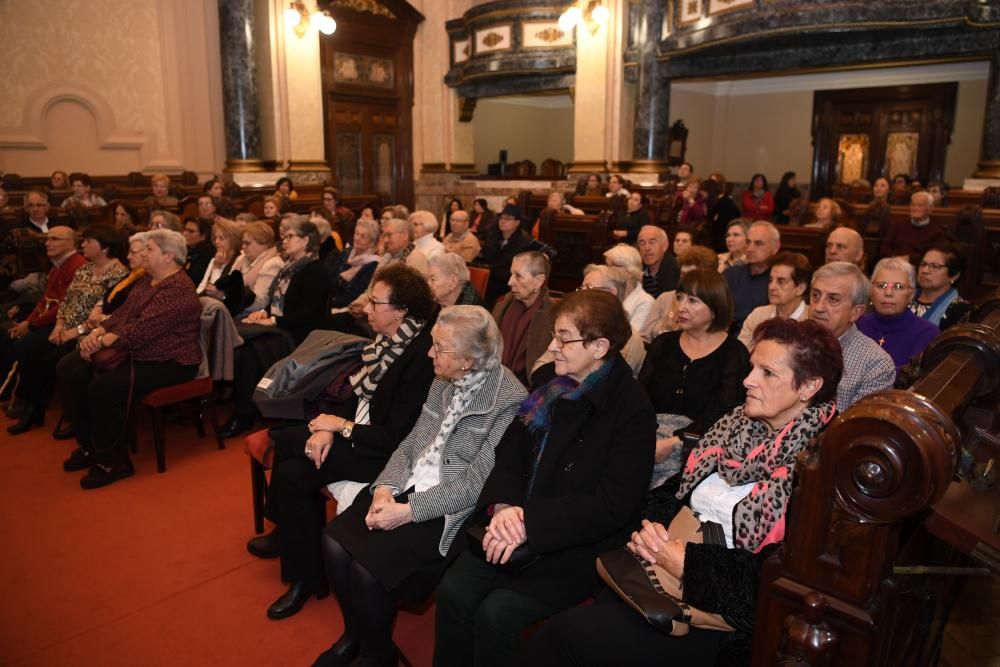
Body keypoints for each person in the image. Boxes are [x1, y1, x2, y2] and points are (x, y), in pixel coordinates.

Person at [521, 318, 841, 666]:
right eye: (752, 368)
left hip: (717, 618)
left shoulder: (820, 470)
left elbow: (783, 579)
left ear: (809, 386)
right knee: (567, 626)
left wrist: (688, 563)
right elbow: (675, 494)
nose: (748, 381)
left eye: (767, 373)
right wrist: (653, 528)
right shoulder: (733, 425)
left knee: (565, 637)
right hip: (658, 576)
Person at [434, 290, 656, 667]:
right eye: (554, 335)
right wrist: (504, 507)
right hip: (515, 522)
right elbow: (507, 455)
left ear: (599, 346)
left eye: (563, 338)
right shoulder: (552, 389)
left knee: (496, 614)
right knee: (452, 590)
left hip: (573, 544)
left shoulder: (632, 411)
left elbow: (610, 506)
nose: (552, 347)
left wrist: (527, 524)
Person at [314, 306, 527, 666]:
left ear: (468, 360)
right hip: (407, 485)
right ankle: (354, 634)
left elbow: (475, 484)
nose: (429, 354)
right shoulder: (442, 378)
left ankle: (376, 655)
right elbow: (413, 441)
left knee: (369, 567)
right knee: (333, 542)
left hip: (448, 508)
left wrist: (408, 511)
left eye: (439, 348)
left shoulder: (509, 400)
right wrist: (384, 488)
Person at [246, 263, 438, 620]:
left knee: (283, 442)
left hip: (385, 452)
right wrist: (325, 429)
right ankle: (306, 576)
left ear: (400, 310)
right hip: (358, 432)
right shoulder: (390, 341)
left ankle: (293, 550)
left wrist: (340, 427)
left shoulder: (420, 358)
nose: (366, 308)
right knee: (292, 472)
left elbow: (396, 436)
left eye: (375, 302)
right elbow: (358, 397)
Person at [61, 230, 201, 489]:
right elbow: (121, 314)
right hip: (142, 353)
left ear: (168, 256)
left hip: (172, 362)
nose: (142, 254)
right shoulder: (148, 280)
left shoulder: (178, 289)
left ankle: (114, 461)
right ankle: (91, 446)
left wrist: (99, 342)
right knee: (74, 373)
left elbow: (141, 330)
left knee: (103, 389)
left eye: (149, 249)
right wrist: (100, 331)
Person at [7, 225, 129, 435]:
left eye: (88, 241)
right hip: (67, 328)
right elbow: (66, 301)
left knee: (53, 361)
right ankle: (34, 408)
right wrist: (59, 325)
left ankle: (76, 415)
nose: (83, 245)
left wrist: (74, 331)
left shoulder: (118, 274)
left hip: (88, 331)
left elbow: (104, 315)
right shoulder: (84, 269)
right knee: (28, 349)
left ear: (105, 248)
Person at [221, 219, 331, 438]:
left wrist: (272, 321)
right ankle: (248, 410)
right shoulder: (288, 269)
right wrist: (266, 314)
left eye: (290, 236)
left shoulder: (316, 271)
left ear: (306, 240)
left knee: (251, 351)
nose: (285, 240)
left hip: (303, 335)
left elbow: (307, 315)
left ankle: (246, 414)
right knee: (244, 347)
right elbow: (279, 306)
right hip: (284, 329)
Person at [640, 269, 750, 482]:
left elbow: (723, 416)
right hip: (646, 437)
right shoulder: (663, 344)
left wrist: (675, 441)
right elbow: (639, 397)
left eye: (693, 301)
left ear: (715, 307)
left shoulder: (734, 353)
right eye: (680, 298)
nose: (681, 307)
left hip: (699, 449)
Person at [809, 262, 895, 409]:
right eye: (815, 295)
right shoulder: (786, 342)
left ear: (855, 312)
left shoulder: (875, 364)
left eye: (833, 299)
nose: (818, 307)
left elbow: (858, 428)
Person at [858, 257, 938, 373]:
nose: (888, 293)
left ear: (911, 294)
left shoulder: (926, 332)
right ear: (871, 290)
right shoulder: (856, 324)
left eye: (898, 287)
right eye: (882, 286)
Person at [492, 251, 556, 386]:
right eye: (511, 274)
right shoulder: (502, 306)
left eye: (518, 276)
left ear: (538, 281)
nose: (510, 282)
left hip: (528, 389)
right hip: (492, 380)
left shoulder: (553, 317)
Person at [640, 246, 719, 343]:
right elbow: (643, 336)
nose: (683, 279)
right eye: (682, 274)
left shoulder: (711, 303)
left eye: (689, 275)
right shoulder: (665, 298)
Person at [738, 251, 812, 348]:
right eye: (770, 280)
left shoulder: (812, 320)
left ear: (800, 288)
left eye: (781, 281)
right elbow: (741, 355)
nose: (771, 287)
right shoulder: (757, 316)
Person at [722, 220, 781, 330]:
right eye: (748, 242)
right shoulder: (730, 274)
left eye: (758, 243)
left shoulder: (778, 280)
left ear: (775, 247)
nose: (750, 249)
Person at [476, 204, 534, 307]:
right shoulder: (492, 235)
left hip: (508, 282)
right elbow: (485, 257)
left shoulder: (525, 241)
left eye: (508, 219)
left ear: (517, 222)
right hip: (490, 277)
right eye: (501, 218)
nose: (502, 221)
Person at [911, 243, 972, 330]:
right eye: (923, 264)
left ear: (954, 275)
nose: (924, 270)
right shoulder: (903, 297)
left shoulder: (960, 311)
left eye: (935, 266)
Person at [231, 221, 284, 318]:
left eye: (247, 243)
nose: (243, 247)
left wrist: (228, 301)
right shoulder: (241, 259)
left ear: (263, 242)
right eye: (242, 243)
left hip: (248, 317)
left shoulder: (272, 264)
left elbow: (260, 303)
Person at [329, 218, 382, 310]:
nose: (357, 238)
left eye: (363, 236)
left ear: (372, 242)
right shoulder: (346, 253)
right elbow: (330, 278)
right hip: (331, 301)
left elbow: (355, 295)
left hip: (348, 308)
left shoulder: (373, 263)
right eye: (356, 234)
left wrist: (330, 304)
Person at [882, 191, 948, 264]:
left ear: (930, 209)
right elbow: (885, 247)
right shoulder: (898, 224)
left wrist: (908, 259)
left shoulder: (936, 232)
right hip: (892, 260)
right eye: (913, 205)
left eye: (920, 205)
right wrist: (894, 257)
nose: (915, 208)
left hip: (915, 265)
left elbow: (932, 256)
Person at [603, 243, 654, 334]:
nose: (607, 271)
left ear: (630, 271)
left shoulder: (645, 302)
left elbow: (630, 340)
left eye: (613, 266)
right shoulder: (609, 294)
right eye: (607, 266)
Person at [195, 219, 243, 301]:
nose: (216, 241)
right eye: (216, 238)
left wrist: (216, 268)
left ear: (233, 239)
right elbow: (202, 286)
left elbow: (214, 290)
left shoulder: (240, 260)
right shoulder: (214, 259)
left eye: (221, 238)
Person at [638, 225, 680, 298]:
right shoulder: (638, 272)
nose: (647, 248)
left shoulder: (677, 270)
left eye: (652, 242)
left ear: (665, 245)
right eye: (642, 243)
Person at [182, 218, 214, 286]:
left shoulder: (207, 255)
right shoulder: (187, 250)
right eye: (185, 229)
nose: (184, 234)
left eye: (191, 231)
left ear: (203, 236)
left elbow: (194, 280)